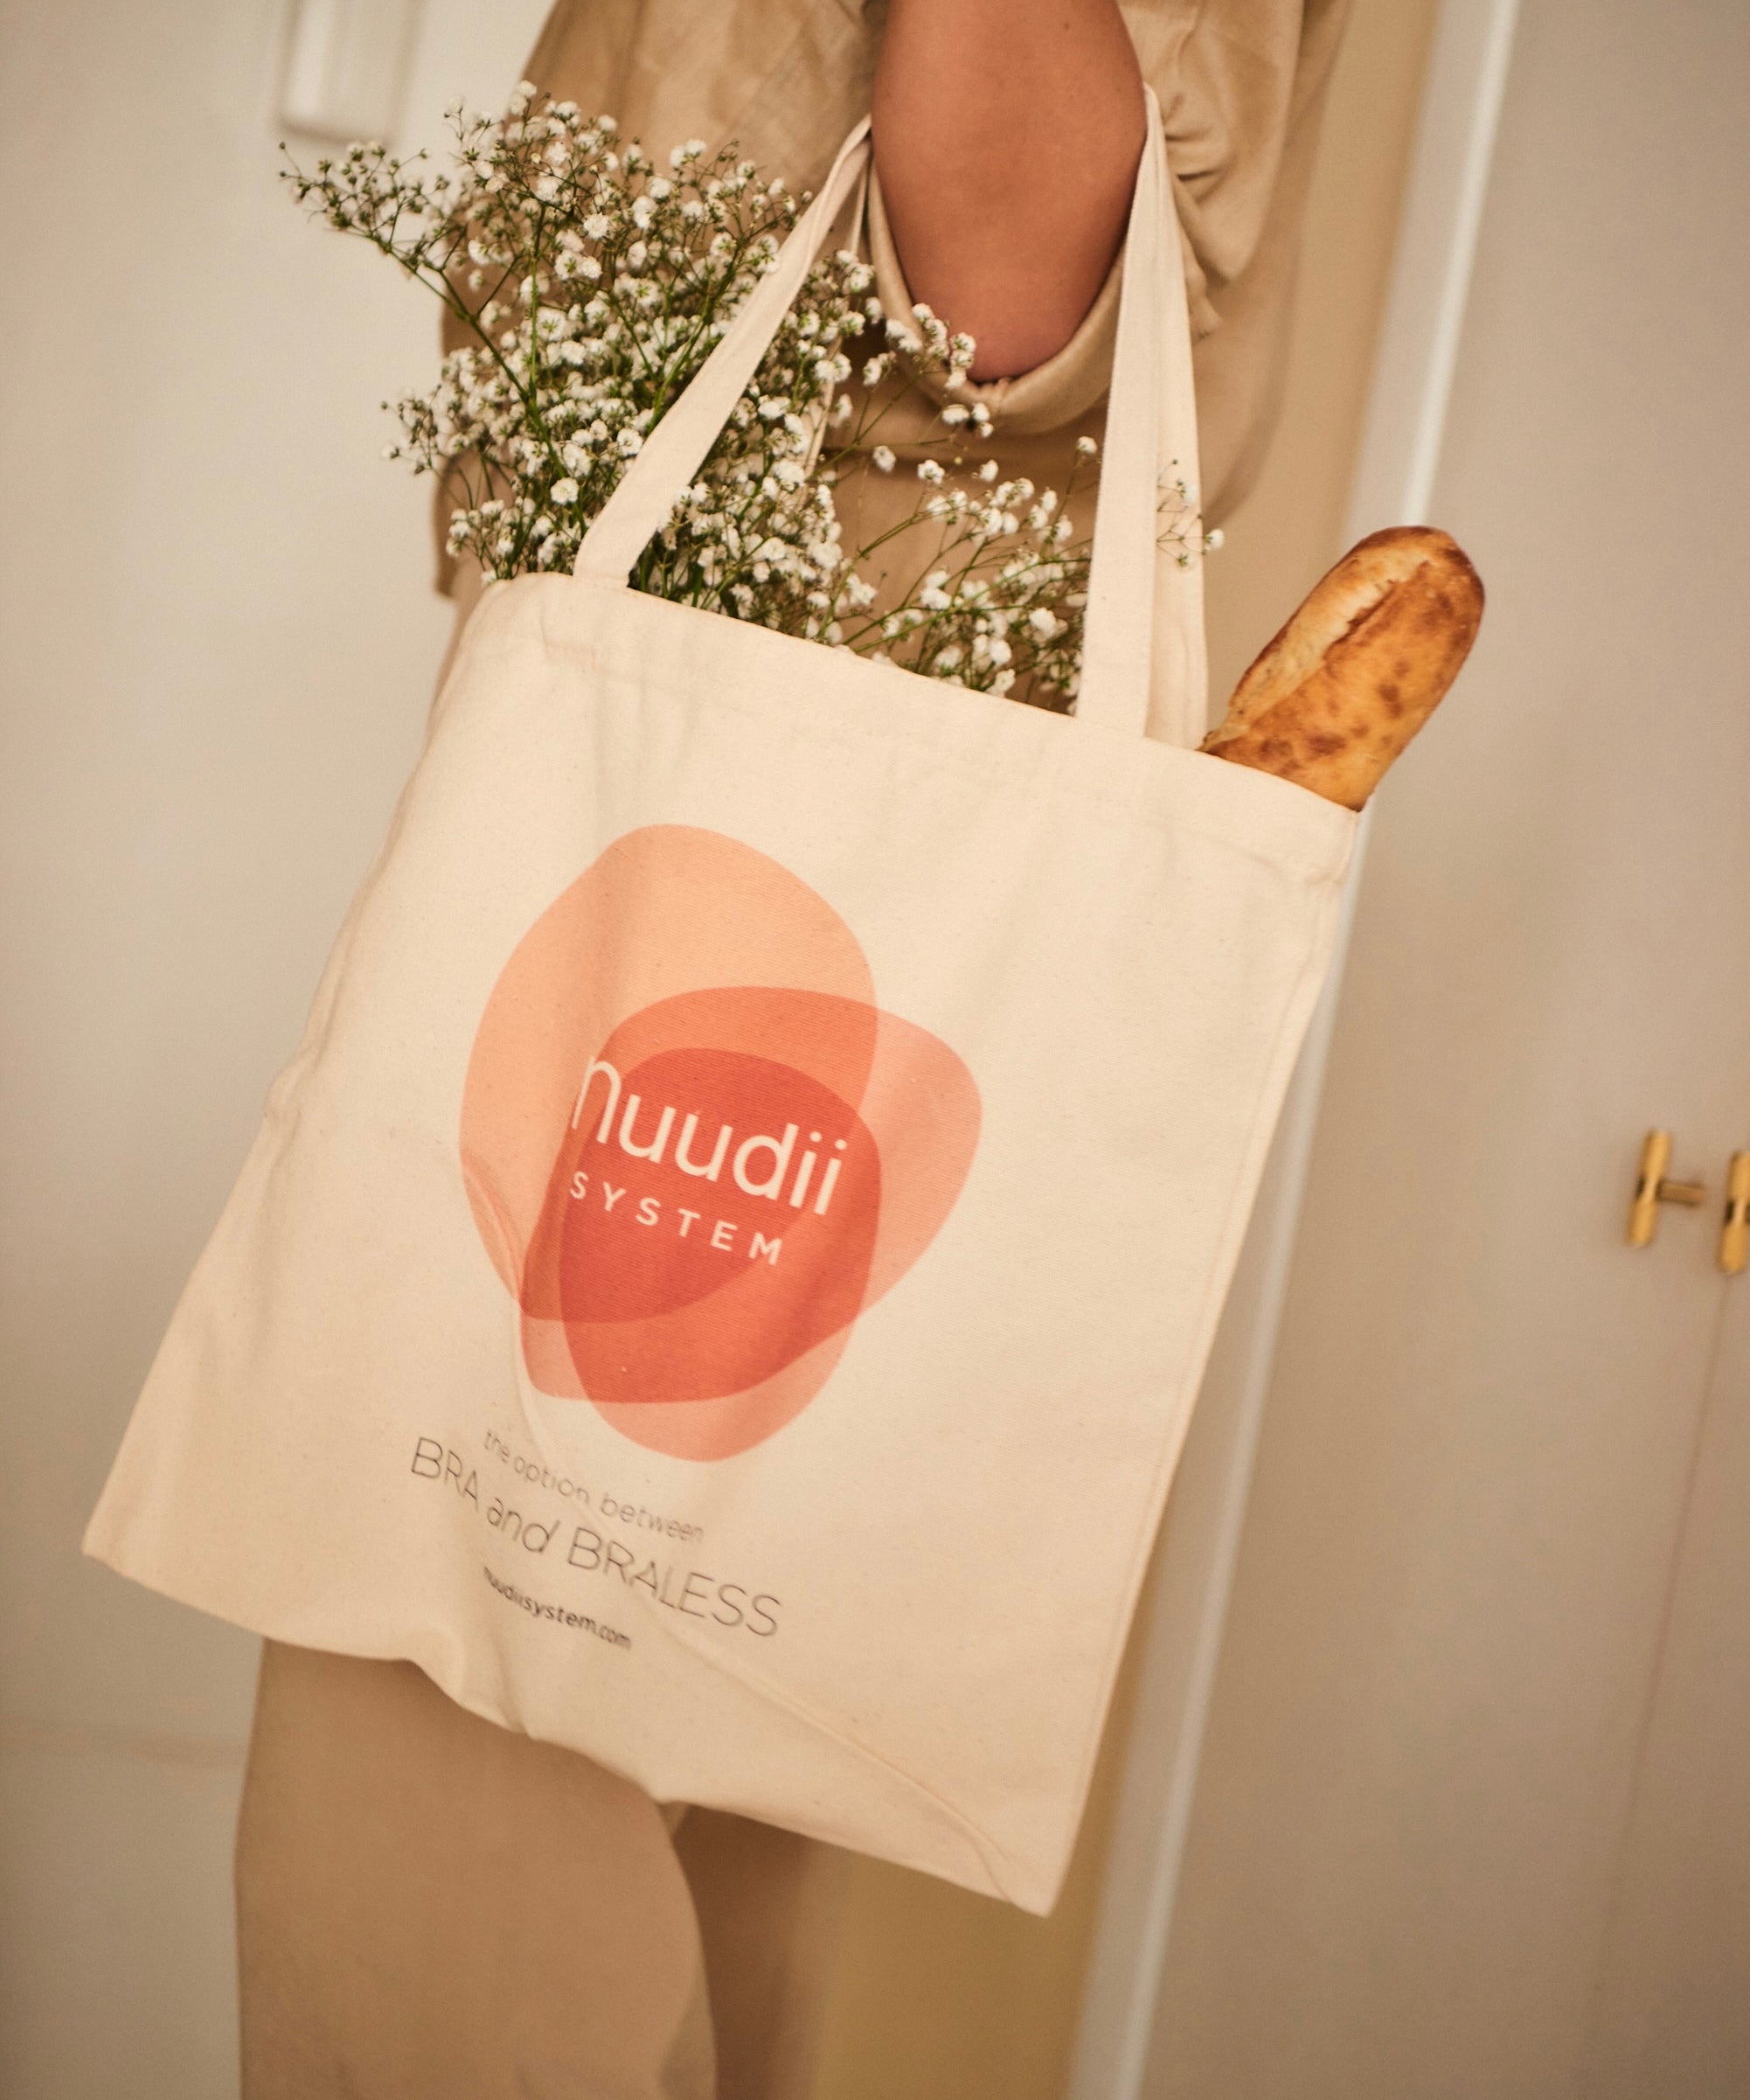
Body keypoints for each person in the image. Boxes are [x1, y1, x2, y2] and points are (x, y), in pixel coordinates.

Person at [237, 3, 1350, 2095]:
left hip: (713, 895)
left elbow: (990, 303)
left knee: (433, 1722)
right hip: (801, 926)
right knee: (709, 1769)